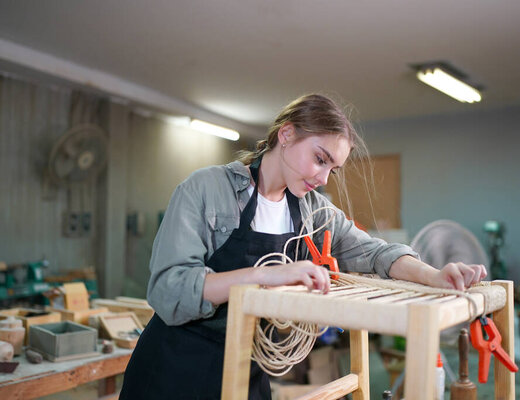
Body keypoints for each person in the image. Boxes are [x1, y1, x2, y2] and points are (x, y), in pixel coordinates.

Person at [119, 94, 487, 399]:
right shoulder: (207, 190)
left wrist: (434, 275)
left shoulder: (314, 211)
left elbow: (376, 253)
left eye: (333, 168)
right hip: (175, 368)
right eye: (320, 158)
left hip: (247, 369)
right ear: (287, 134)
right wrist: (269, 276)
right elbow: (169, 289)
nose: (323, 177)